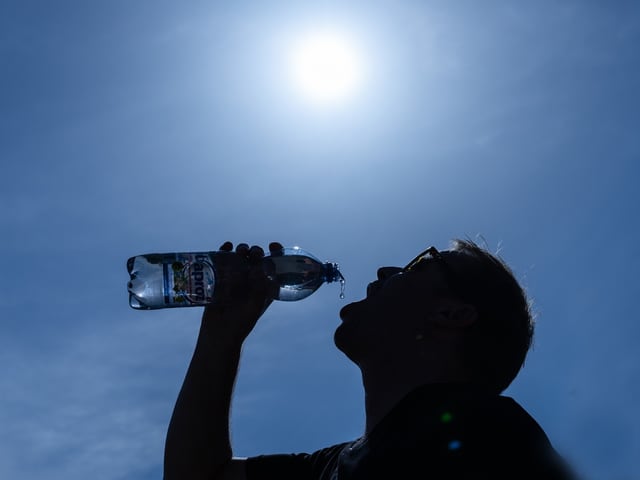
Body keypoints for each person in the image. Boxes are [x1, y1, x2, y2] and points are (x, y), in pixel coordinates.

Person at [164, 239, 576, 480]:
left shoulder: (491, 439)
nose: (384, 270)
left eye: (420, 263)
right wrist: (222, 333)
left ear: (451, 315)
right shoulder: (331, 466)